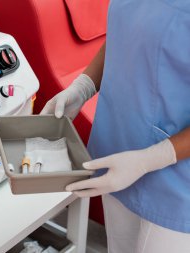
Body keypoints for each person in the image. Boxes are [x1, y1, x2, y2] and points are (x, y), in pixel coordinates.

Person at [40, 1, 190, 252]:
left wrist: (147, 160)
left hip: (176, 179)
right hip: (117, 150)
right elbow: (124, 34)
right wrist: (83, 87)